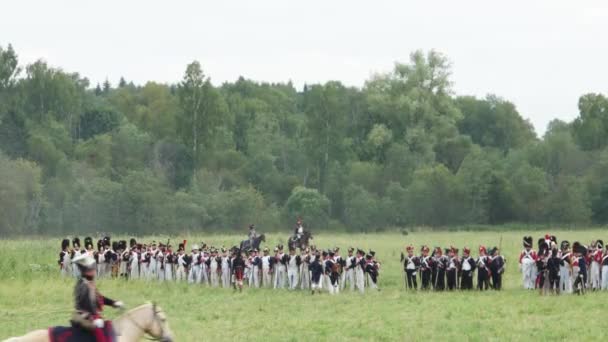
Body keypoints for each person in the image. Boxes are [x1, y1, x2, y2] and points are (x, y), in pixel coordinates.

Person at [70, 253, 124, 342]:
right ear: (86, 271)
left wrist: (114, 303)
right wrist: (93, 319)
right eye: (92, 270)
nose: (94, 271)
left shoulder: (89, 282)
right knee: (100, 334)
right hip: (83, 317)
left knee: (108, 327)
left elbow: (99, 297)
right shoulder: (82, 285)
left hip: (92, 316)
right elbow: (85, 304)